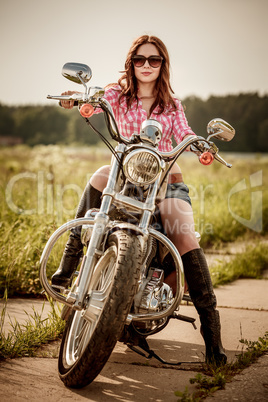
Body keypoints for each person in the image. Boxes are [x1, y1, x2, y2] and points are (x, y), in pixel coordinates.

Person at [52, 35, 227, 366]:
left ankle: (213, 338)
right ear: (130, 63)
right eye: (140, 60)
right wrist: (76, 99)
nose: (147, 66)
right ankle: (67, 268)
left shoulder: (172, 106)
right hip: (124, 176)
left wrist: (201, 145)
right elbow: (97, 100)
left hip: (166, 182)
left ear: (163, 65)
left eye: (155, 60)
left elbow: (186, 133)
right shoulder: (117, 93)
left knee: (185, 236)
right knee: (101, 173)